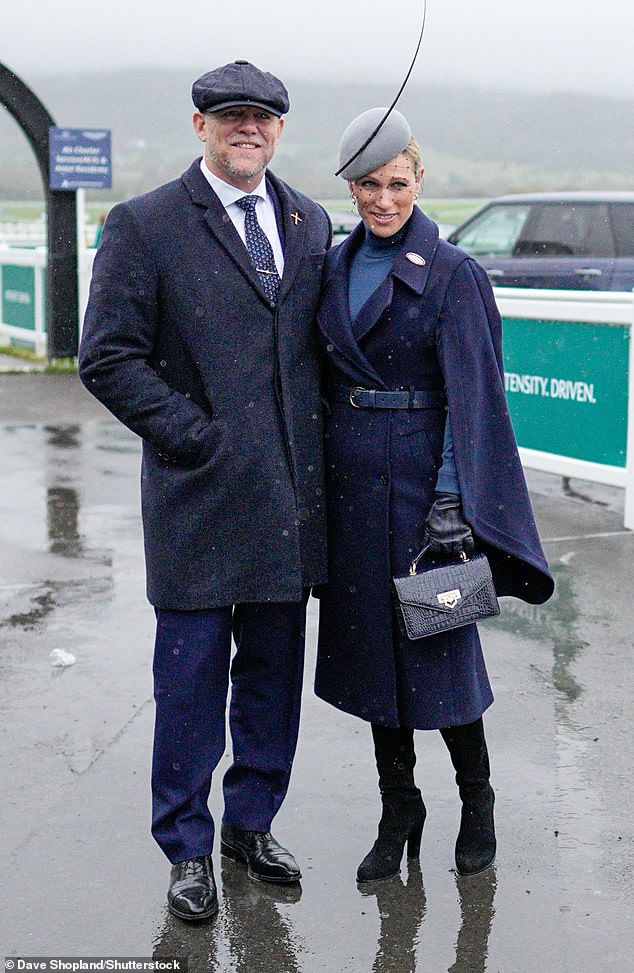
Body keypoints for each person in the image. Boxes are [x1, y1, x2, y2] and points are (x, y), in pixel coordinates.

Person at [79, 60, 331, 921]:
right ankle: (186, 847)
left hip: (287, 508)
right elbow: (106, 357)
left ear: (280, 129)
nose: (247, 128)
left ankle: (250, 824)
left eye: (262, 117)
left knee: (271, 677)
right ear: (200, 126)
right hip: (197, 501)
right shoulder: (145, 225)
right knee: (189, 686)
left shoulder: (310, 220)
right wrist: (198, 437)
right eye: (230, 116)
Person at [314, 108, 554, 883]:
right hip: (351, 492)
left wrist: (451, 504)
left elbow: (473, 394)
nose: (383, 200)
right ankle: (399, 808)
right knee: (376, 660)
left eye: (397, 183)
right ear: (351, 187)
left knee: (442, 651)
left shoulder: (454, 274)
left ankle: (476, 800)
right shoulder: (334, 266)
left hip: (424, 493)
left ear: (420, 180)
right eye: (368, 186)